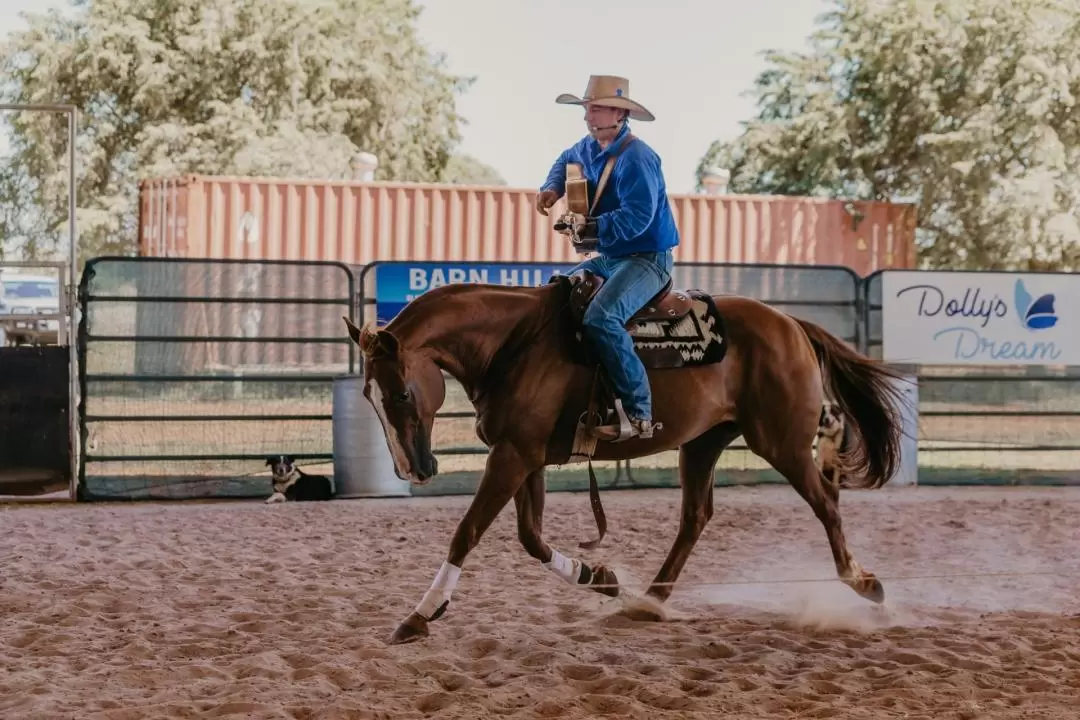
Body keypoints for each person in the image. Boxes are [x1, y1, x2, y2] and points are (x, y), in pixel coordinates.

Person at [535, 75, 680, 441]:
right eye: (586, 108)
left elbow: (638, 217)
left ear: (619, 112)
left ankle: (639, 414)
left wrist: (592, 226)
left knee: (602, 317)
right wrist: (551, 188)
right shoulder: (584, 148)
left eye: (595, 108)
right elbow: (564, 161)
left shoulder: (639, 158)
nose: (588, 116)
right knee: (557, 294)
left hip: (646, 259)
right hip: (612, 257)